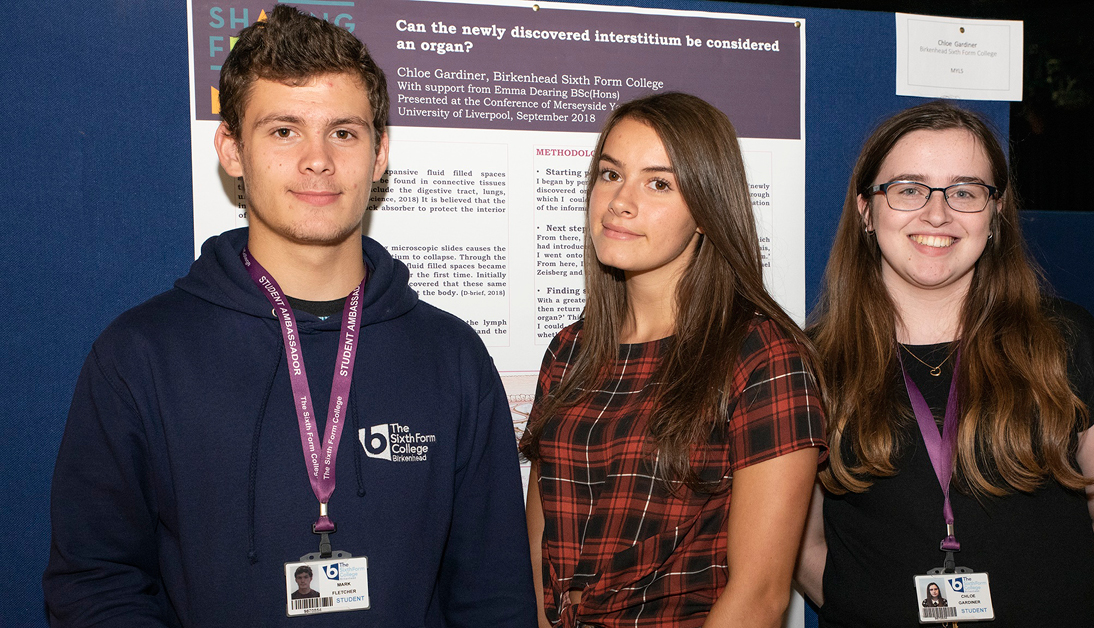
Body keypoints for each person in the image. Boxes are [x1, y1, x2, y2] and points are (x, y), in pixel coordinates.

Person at [42, 6, 534, 627]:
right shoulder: (140, 356)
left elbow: (494, 594)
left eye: (344, 132)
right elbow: (95, 584)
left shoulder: (452, 356)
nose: (318, 160)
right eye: (283, 131)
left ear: (379, 153)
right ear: (232, 150)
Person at [796, 101, 1094, 627]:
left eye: (965, 192)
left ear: (996, 214)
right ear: (866, 210)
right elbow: (800, 544)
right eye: (908, 189)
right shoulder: (807, 366)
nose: (937, 213)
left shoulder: (1068, 344)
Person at [519, 92, 827, 628]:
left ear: (708, 210)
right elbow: (540, 558)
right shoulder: (570, 351)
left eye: (659, 183)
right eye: (611, 174)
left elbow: (760, 596)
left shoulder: (763, 358)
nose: (620, 201)